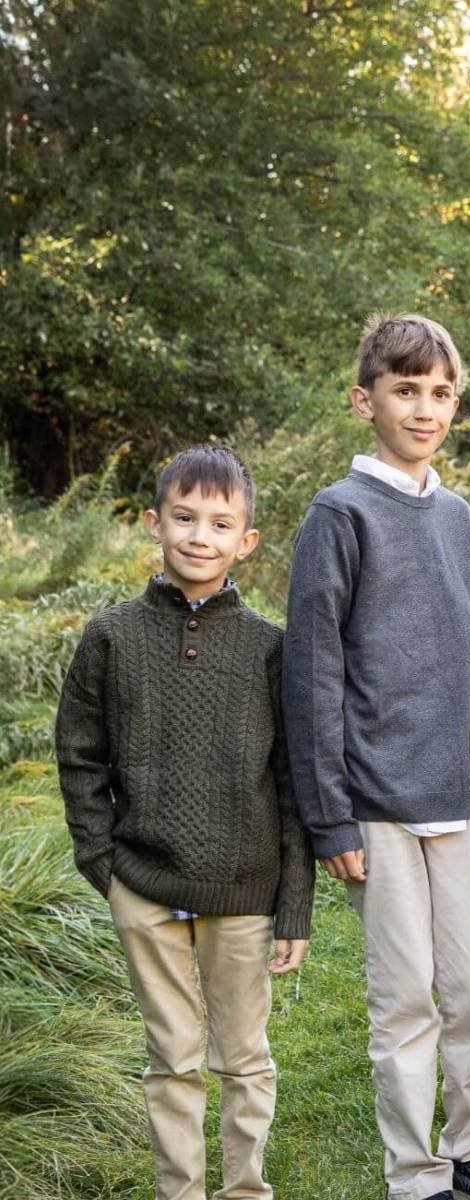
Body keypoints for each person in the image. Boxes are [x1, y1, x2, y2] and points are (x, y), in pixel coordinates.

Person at [282, 313, 470, 1200]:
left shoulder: (459, 517)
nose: (423, 408)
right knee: (404, 1003)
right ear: (365, 399)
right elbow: (312, 674)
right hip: (375, 804)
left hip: (457, 796)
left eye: (439, 393)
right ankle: (415, 1172)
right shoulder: (338, 515)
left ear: (454, 404)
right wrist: (329, 814)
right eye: (404, 390)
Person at [56, 443, 315, 1200]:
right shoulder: (111, 635)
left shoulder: (270, 646)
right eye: (184, 517)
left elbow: (293, 780)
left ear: (247, 540)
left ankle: (243, 1189)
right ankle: (180, 1192)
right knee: (171, 1058)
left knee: (243, 1056)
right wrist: (103, 864)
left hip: (243, 889)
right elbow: (78, 754)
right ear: (153, 523)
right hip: (143, 883)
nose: (200, 535)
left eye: (220, 522)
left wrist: (293, 901)